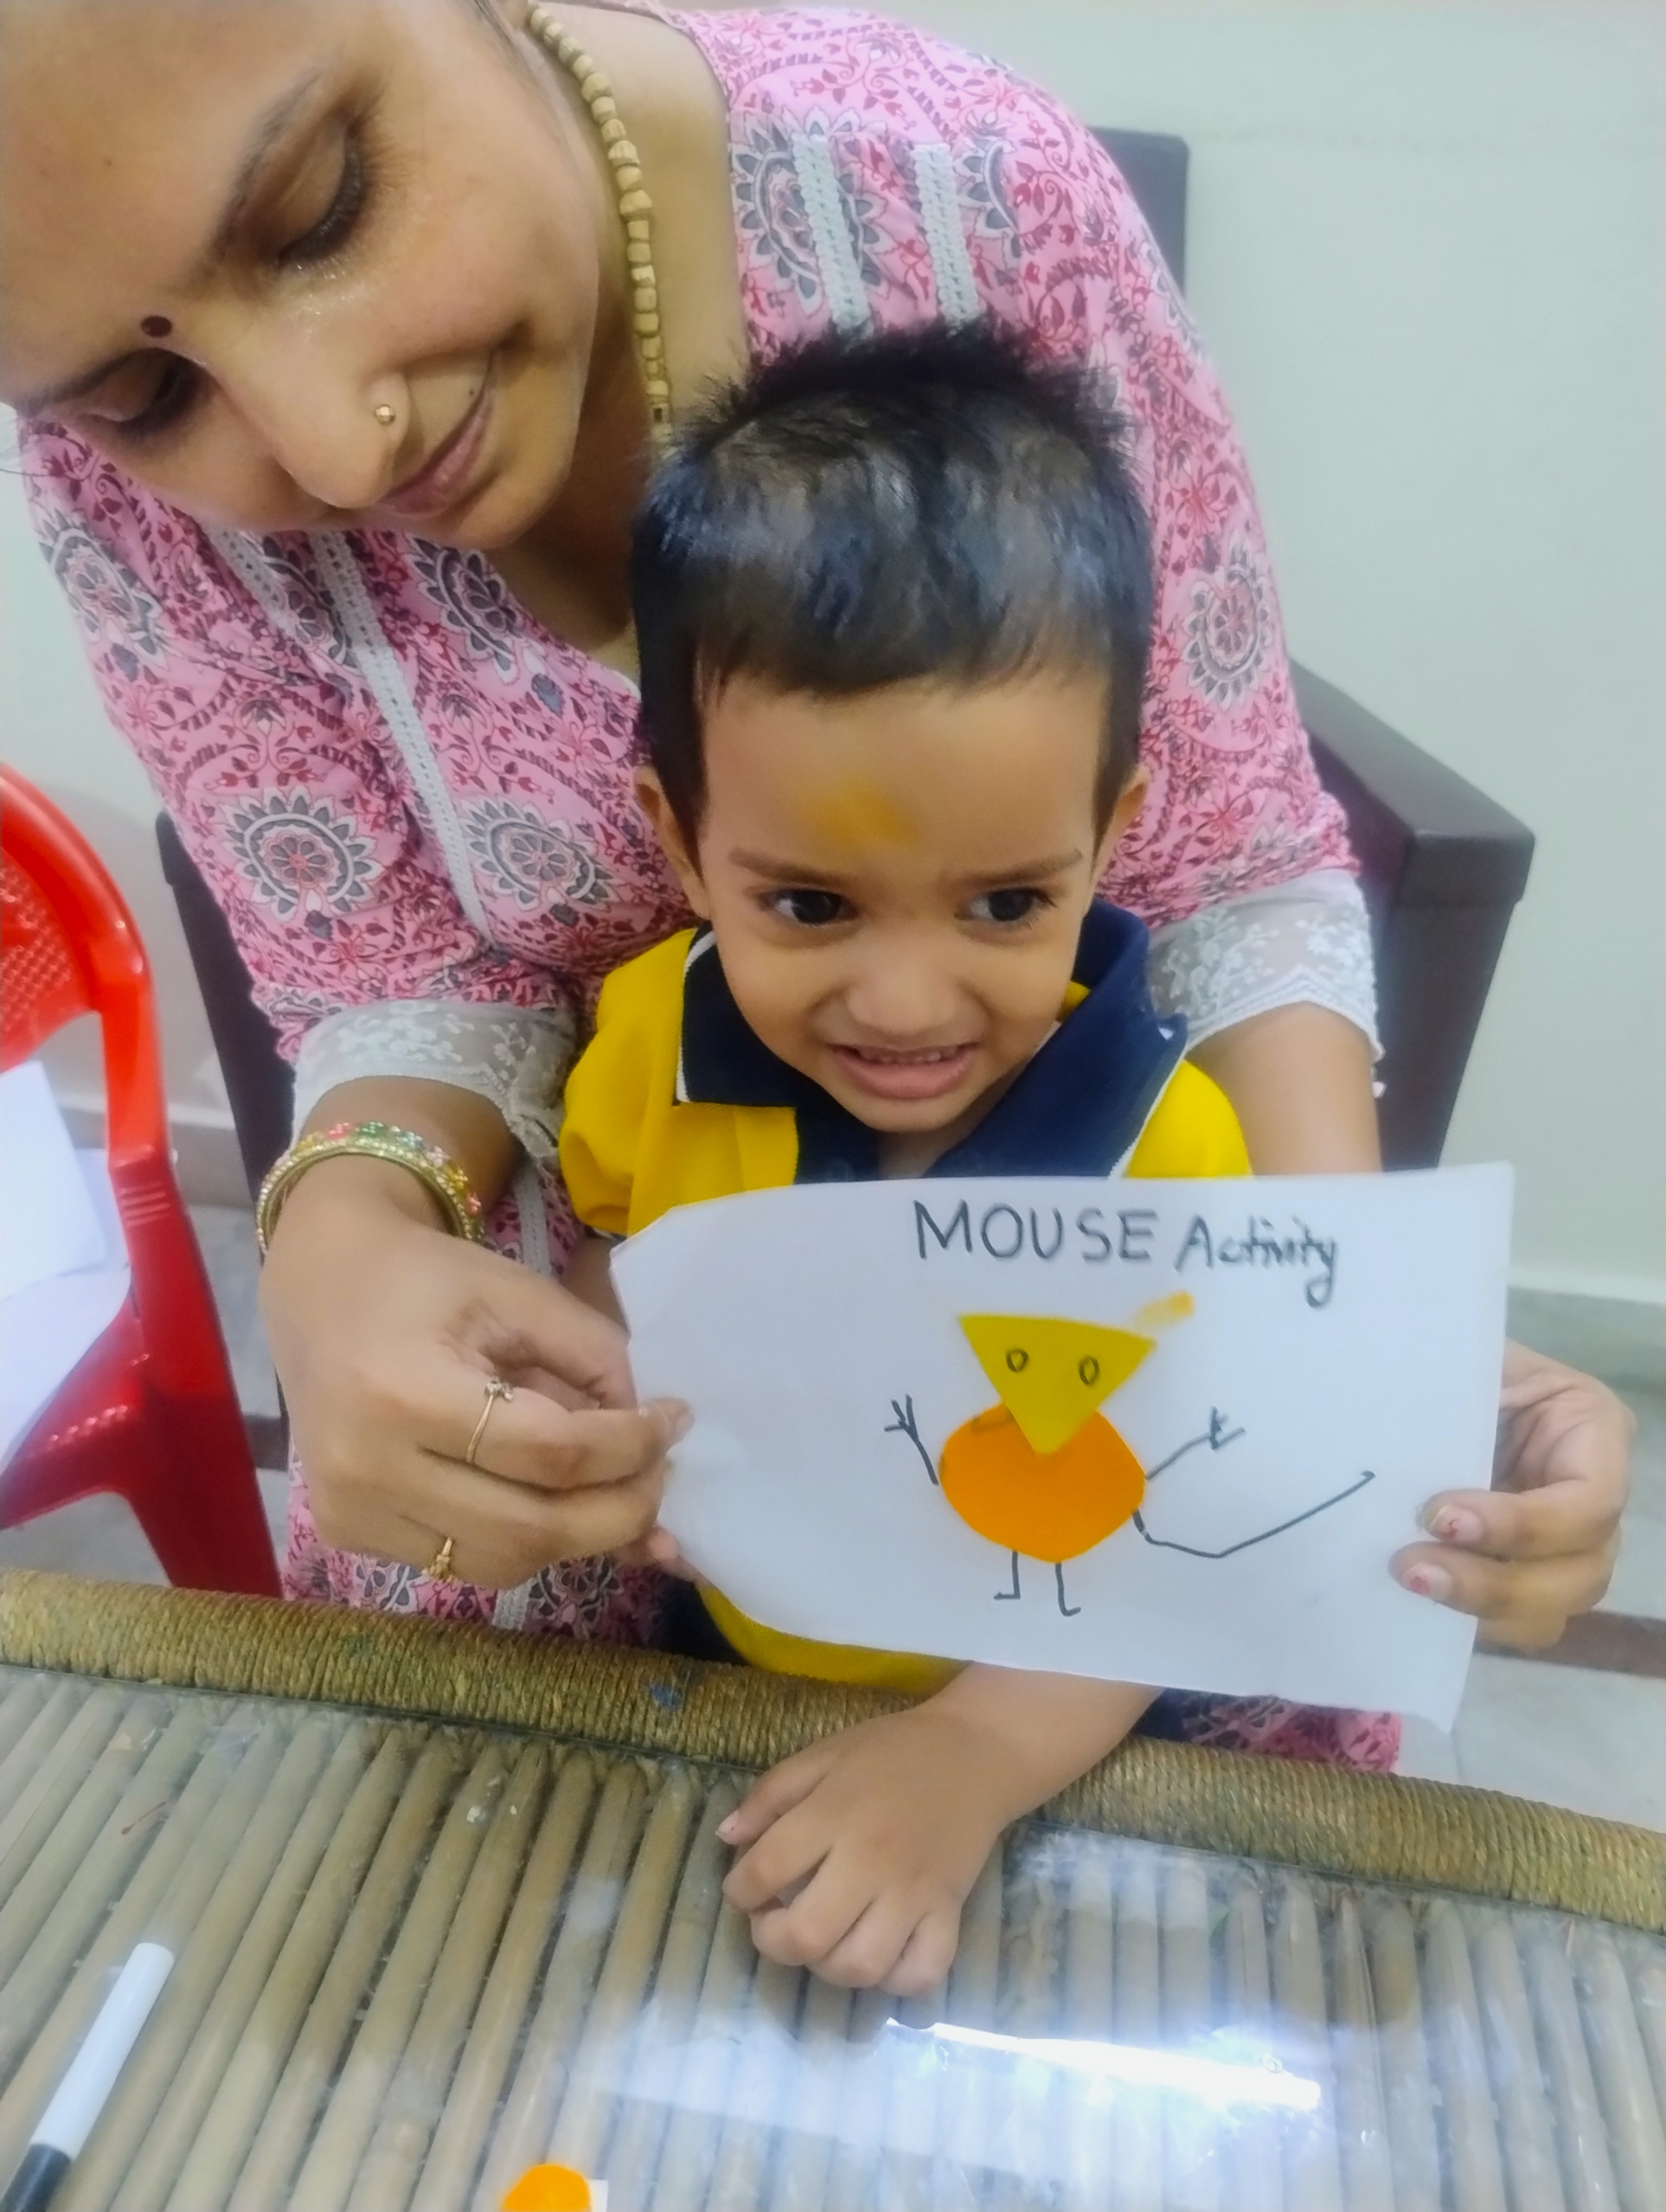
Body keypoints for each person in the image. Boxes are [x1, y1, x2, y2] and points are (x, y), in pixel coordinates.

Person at [0, 1, 1625, 1668]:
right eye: (139, 392)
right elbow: (395, 971)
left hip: (1085, 1407)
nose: (342, 446)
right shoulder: (132, 511)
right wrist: (343, 1239)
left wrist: (1347, 1336)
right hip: (599, 1412)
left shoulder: (985, 204)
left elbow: (1231, 858)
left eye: (325, 202)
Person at [558, 322, 1409, 1991]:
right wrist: (608, 1411)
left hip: (1038, 1717)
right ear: (682, 844)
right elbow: (613, 1253)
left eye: (1008, 904)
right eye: (809, 904)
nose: (903, 1002)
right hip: (716, 1660)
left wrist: (976, 1764)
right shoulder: (655, 1038)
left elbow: (1173, 1540)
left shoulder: (1174, 1154)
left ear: (1108, 838)